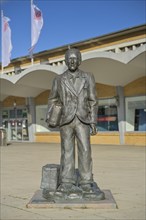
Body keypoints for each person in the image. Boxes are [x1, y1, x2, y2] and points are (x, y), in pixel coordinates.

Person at [46, 48, 104, 197]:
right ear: (65, 61)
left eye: (75, 58)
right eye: (69, 59)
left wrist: (93, 121)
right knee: (67, 151)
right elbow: (52, 99)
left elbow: (93, 100)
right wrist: (53, 115)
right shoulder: (58, 79)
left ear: (80, 60)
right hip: (66, 120)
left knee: (85, 150)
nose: (72, 61)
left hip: (83, 120)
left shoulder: (88, 77)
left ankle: (86, 182)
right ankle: (66, 182)